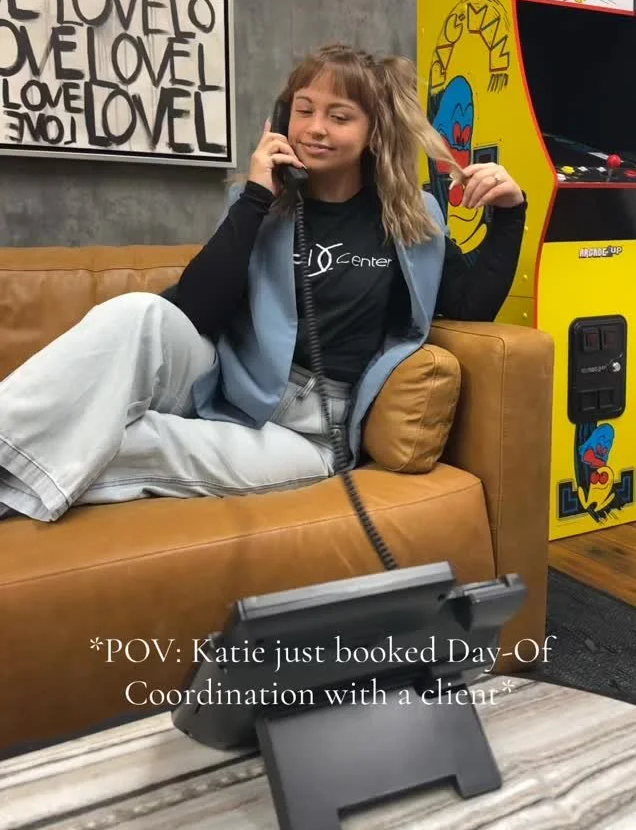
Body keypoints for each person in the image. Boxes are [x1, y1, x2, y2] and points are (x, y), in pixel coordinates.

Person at [0, 44, 526, 524]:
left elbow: (468, 303)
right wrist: (256, 197)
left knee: (129, 439)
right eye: (304, 110)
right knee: (138, 313)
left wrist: (510, 215)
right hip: (225, 382)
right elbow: (196, 311)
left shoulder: (412, 216)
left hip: (311, 432)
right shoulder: (261, 205)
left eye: (339, 116)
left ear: (373, 133)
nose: (315, 128)